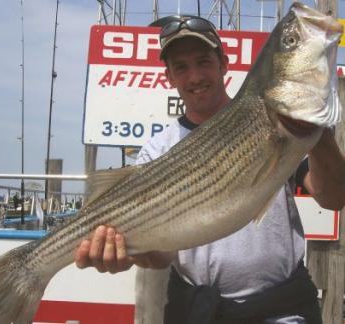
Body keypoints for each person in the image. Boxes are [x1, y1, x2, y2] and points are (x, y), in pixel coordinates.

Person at [75, 16, 345, 323]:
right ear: (170, 77)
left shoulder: (275, 123)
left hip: (282, 308)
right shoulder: (158, 148)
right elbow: (161, 255)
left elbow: (335, 198)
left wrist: (319, 136)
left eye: (203, 61)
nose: (195, 77)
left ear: (224, 64)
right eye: (181, 67)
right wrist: (130, 251)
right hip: (198, 310)